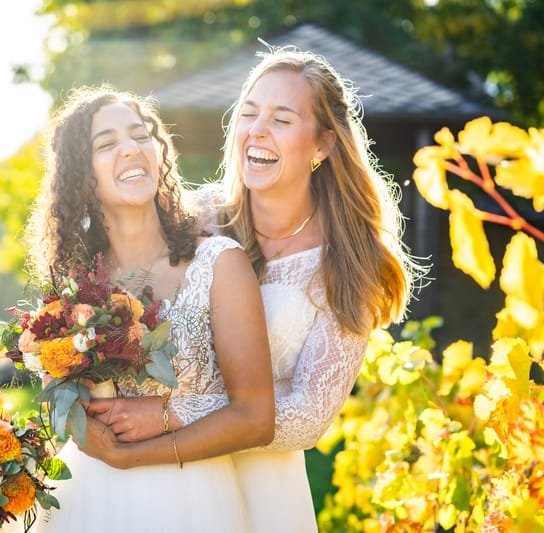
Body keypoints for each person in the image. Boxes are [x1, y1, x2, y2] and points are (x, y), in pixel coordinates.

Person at [85, 46, 420, 532]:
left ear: (323, 144)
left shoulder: (349, 264)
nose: (256, 130)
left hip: (259, 492)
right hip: (155, 486)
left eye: (281, 120)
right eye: (248, 113)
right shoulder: (189, 221)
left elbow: (308, 416)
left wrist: (170, 414)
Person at [25, 85, 275, 533]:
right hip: (90, 503)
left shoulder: (219, 264)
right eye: (107, 144)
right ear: (82, 175)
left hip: (195, 502)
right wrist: (82, 425)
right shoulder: (71, 288)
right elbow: (63, 406)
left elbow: (256, 418)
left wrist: (146, 437)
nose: (130, 149)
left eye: (140, 136)